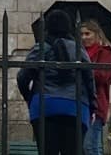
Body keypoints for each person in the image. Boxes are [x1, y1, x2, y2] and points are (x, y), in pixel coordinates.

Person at [17, 9, 96, 155]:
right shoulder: (78, 49)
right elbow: (89, 78)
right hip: (75, 106)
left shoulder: (40, 48)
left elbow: (22, 77)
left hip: (44, 105)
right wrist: (92, 104)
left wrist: (29, 98)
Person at [80, 21, 111, 155]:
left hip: (96, 104)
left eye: (87, 33)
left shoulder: (105, 52)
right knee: (82, 147)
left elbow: (103, 76)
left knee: (91, 146)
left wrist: (84, 70)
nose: (84, 37)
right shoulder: (78, 51)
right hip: (79, 102)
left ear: (96, 34)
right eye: (81, 34)